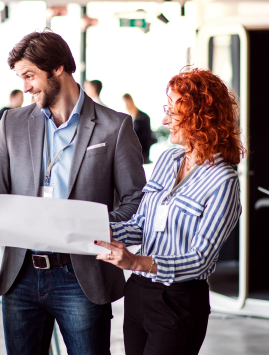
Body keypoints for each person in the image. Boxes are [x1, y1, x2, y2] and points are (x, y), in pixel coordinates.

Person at [0, 30, 146, 355]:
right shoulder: (11, 124)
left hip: (81, 275)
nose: (26, 87)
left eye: (30, 76)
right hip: (21, 273)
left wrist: (91, 227)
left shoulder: (114, 127)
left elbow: (136, 201)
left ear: (58, 67)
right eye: (21, 78)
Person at [95, 67, 245, 355]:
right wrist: (98, 228)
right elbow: (142, 224)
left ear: (202, 117)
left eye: (174, 113)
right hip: (138, 292)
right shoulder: (168, 159)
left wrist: (138, 262)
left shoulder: (223, 181)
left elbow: (200, 259)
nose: (164, 120)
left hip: (179, 300)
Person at [122, 93, 155, 164]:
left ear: (130, 101)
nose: (126, 105)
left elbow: (146, 137)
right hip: (130, 153)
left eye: (126, 102)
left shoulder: (143, 117)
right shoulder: (127, 118)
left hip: (141, 153)